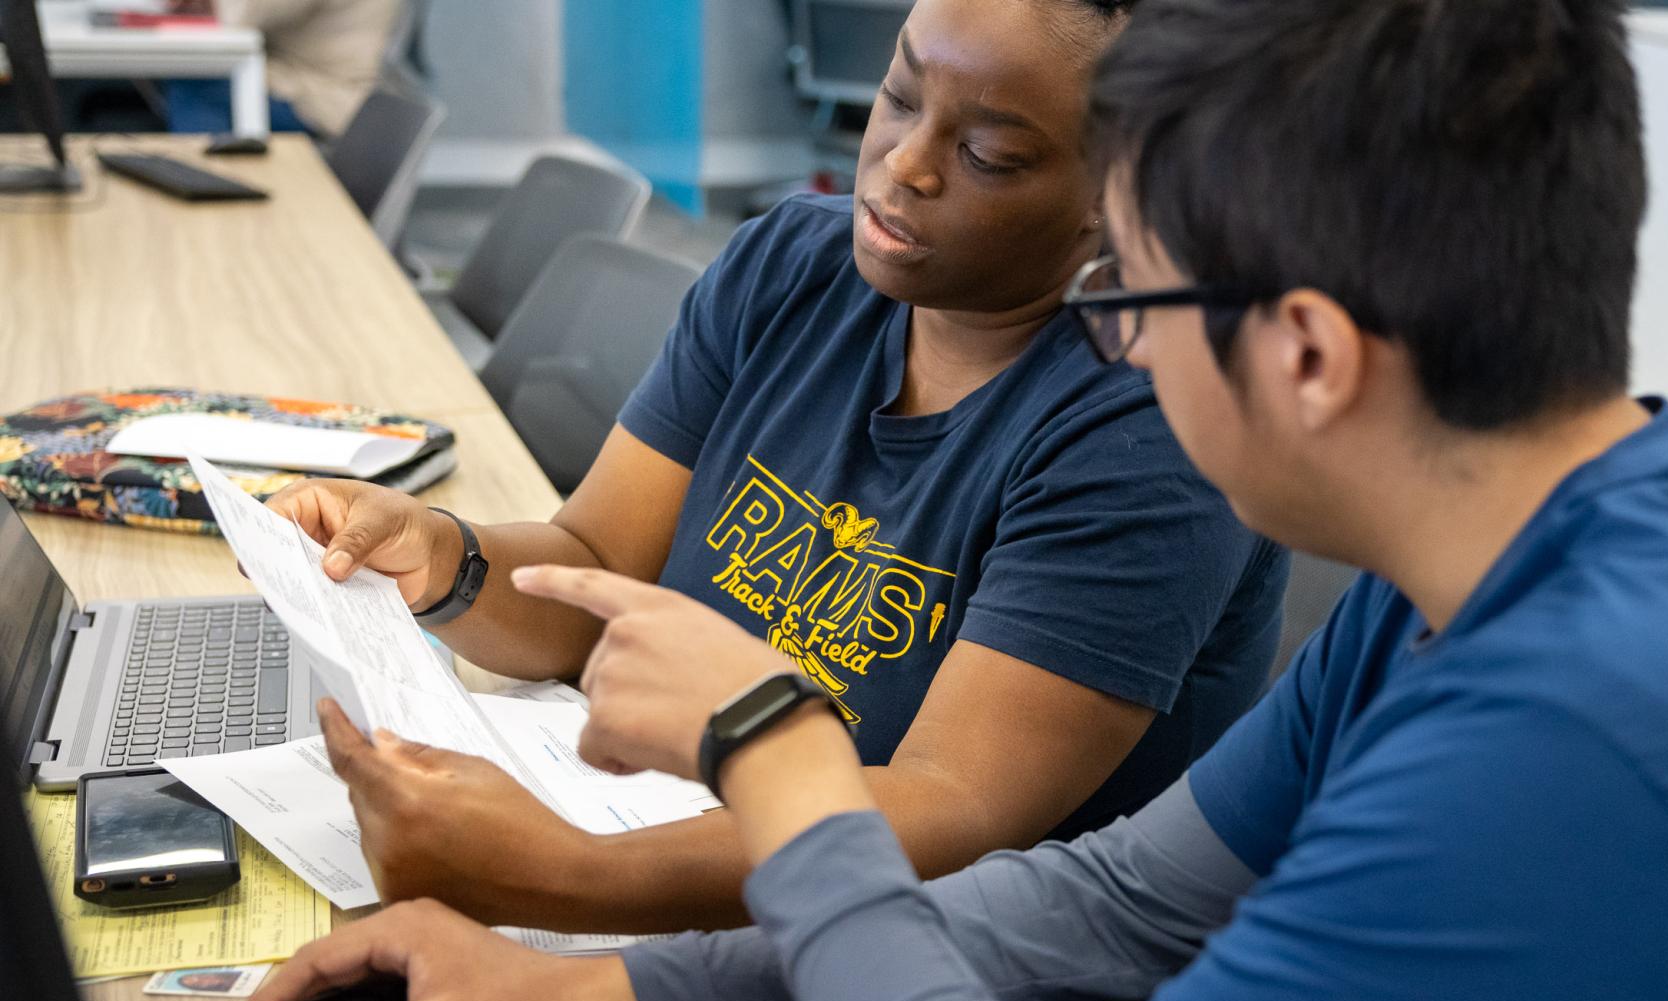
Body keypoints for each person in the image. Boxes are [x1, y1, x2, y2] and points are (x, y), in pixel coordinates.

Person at [228, 0, 1668, 1001]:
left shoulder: (1583, 741)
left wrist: (778, 755)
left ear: (1310, 353)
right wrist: (583, 998)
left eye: (1131, 291)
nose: (1112, 339)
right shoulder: (1502, 563)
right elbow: (1105, 917)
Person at [269, 0, 1286, 935]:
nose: (904, 165)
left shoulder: (1148, 430)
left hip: (908, 956)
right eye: (897, 97)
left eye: (987, 155)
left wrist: (561, 866)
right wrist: (447, 557)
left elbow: (949, 810)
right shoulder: (792, 267)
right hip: (676, 844)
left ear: (1121, 204)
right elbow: (592, 565)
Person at [165, 0, 406, 138]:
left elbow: (236, 17)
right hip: (307, 79)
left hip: (324, 95)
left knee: (199, 82)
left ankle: (209, 188)